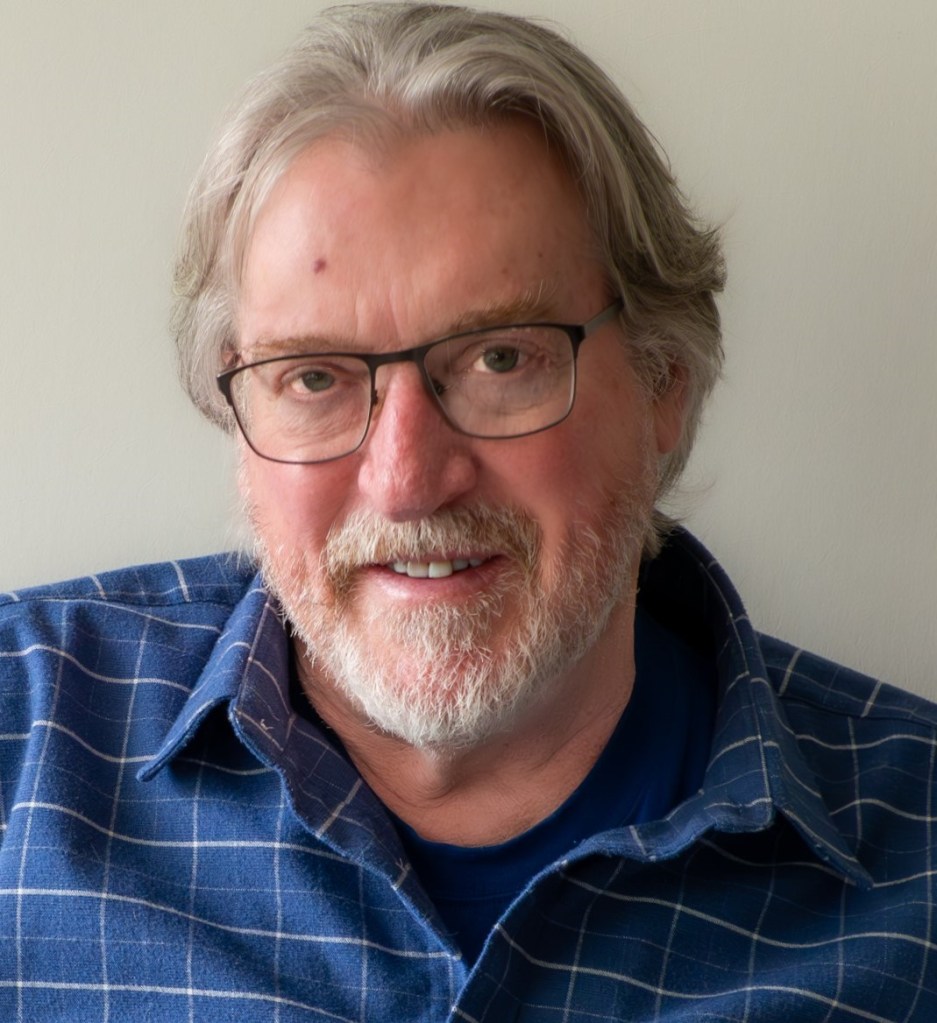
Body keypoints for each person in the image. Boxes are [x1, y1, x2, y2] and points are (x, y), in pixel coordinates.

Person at [1, 3, 934, 1019]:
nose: (407, 480)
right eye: (313, 377)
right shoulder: (21, 746)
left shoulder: (914, 874)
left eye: (499, 359)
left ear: (663, 381)